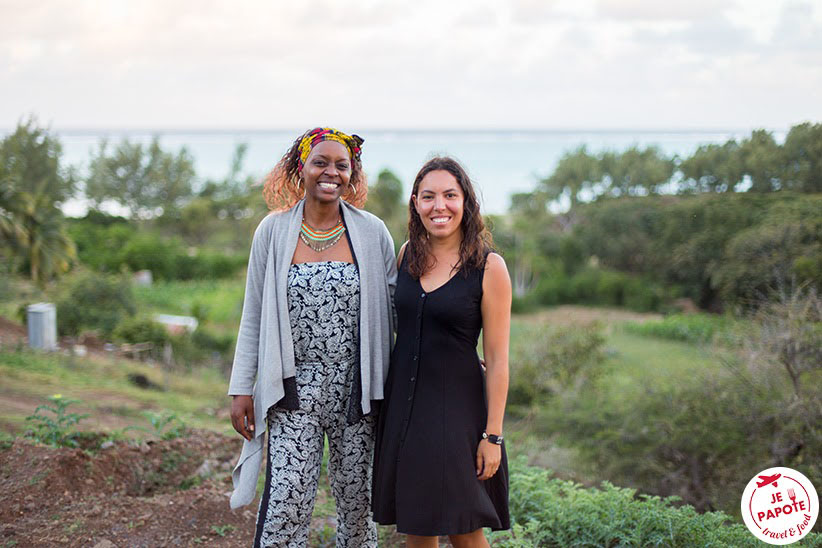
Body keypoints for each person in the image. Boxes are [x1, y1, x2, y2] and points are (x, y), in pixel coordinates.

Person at [227, 127, 397, 548]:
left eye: (342, 165)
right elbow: (253, 314)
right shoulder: (273, 232)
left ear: (352, 173)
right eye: (321, 162)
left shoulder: (373, 233)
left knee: (358, 507)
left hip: (357, 391)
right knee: (286, 502)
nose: (331, 172)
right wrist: (240, 389)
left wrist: (454, 352)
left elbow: (399, 309)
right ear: (301, 167)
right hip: (291, 388)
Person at [372, 156, 511, 547]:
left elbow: (498, 359)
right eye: (429, 196)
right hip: (405, 411)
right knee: (417, 525)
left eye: (450, 195)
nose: (440, 206)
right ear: (415, 203)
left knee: (464, 528)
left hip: (458, 414)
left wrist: (493, 436)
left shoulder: (489, 267)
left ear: (465, 201)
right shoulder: (406, 257)